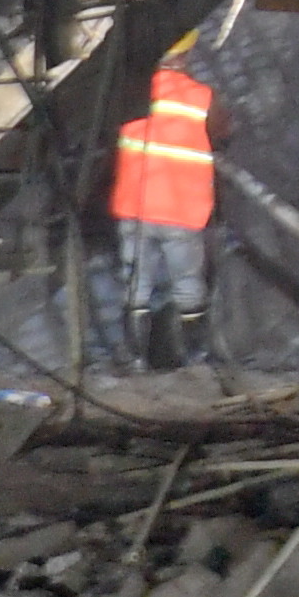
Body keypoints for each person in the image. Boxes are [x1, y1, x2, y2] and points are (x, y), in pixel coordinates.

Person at [107, 40, 220, 368]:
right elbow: (224, 134)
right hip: (181, 211)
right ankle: (194, 360)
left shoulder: (129, 95)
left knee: (136, 284)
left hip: (135, 208)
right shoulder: (202, 98)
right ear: (185, 56)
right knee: (187, 285)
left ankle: (134, 361)